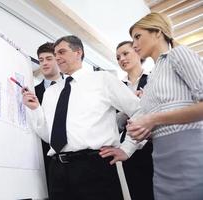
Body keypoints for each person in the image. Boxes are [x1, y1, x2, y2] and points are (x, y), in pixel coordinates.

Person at [23, 35, 143, 200]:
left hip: (95, 167)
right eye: (55, 53)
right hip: (57, 170)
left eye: (62, 52)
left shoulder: (102, 79)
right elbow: (48, 136)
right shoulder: (51, 92)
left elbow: (140, 111)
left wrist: (127, 148)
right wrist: (35, 109)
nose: (57, 57)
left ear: (78, 52)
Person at [127, 12, 203, 200]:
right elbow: (159, 122)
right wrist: (144, 131)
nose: (134, 44)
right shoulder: (152, 77)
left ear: (157, 32)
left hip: (189, 154)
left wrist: (152, 119)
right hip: (161, 159)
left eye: (137, 36)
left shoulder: (178, 54)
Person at [116, 41, 154, 200]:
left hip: (154, 145)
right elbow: (116, 125)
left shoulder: (153, 79)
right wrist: (129, 106)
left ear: (138, 52)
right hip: (130, 150)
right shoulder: (117, 87)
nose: (121, 59)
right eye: (118, 57)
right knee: (138, 193)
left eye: (125, 53)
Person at [35, 42, 63, 190]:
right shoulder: (32, 92)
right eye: (41, 60)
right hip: (41, 157)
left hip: (71, 156)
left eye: (48, 58)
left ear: (57, 59)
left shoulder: (71, 87)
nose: (44, 63)